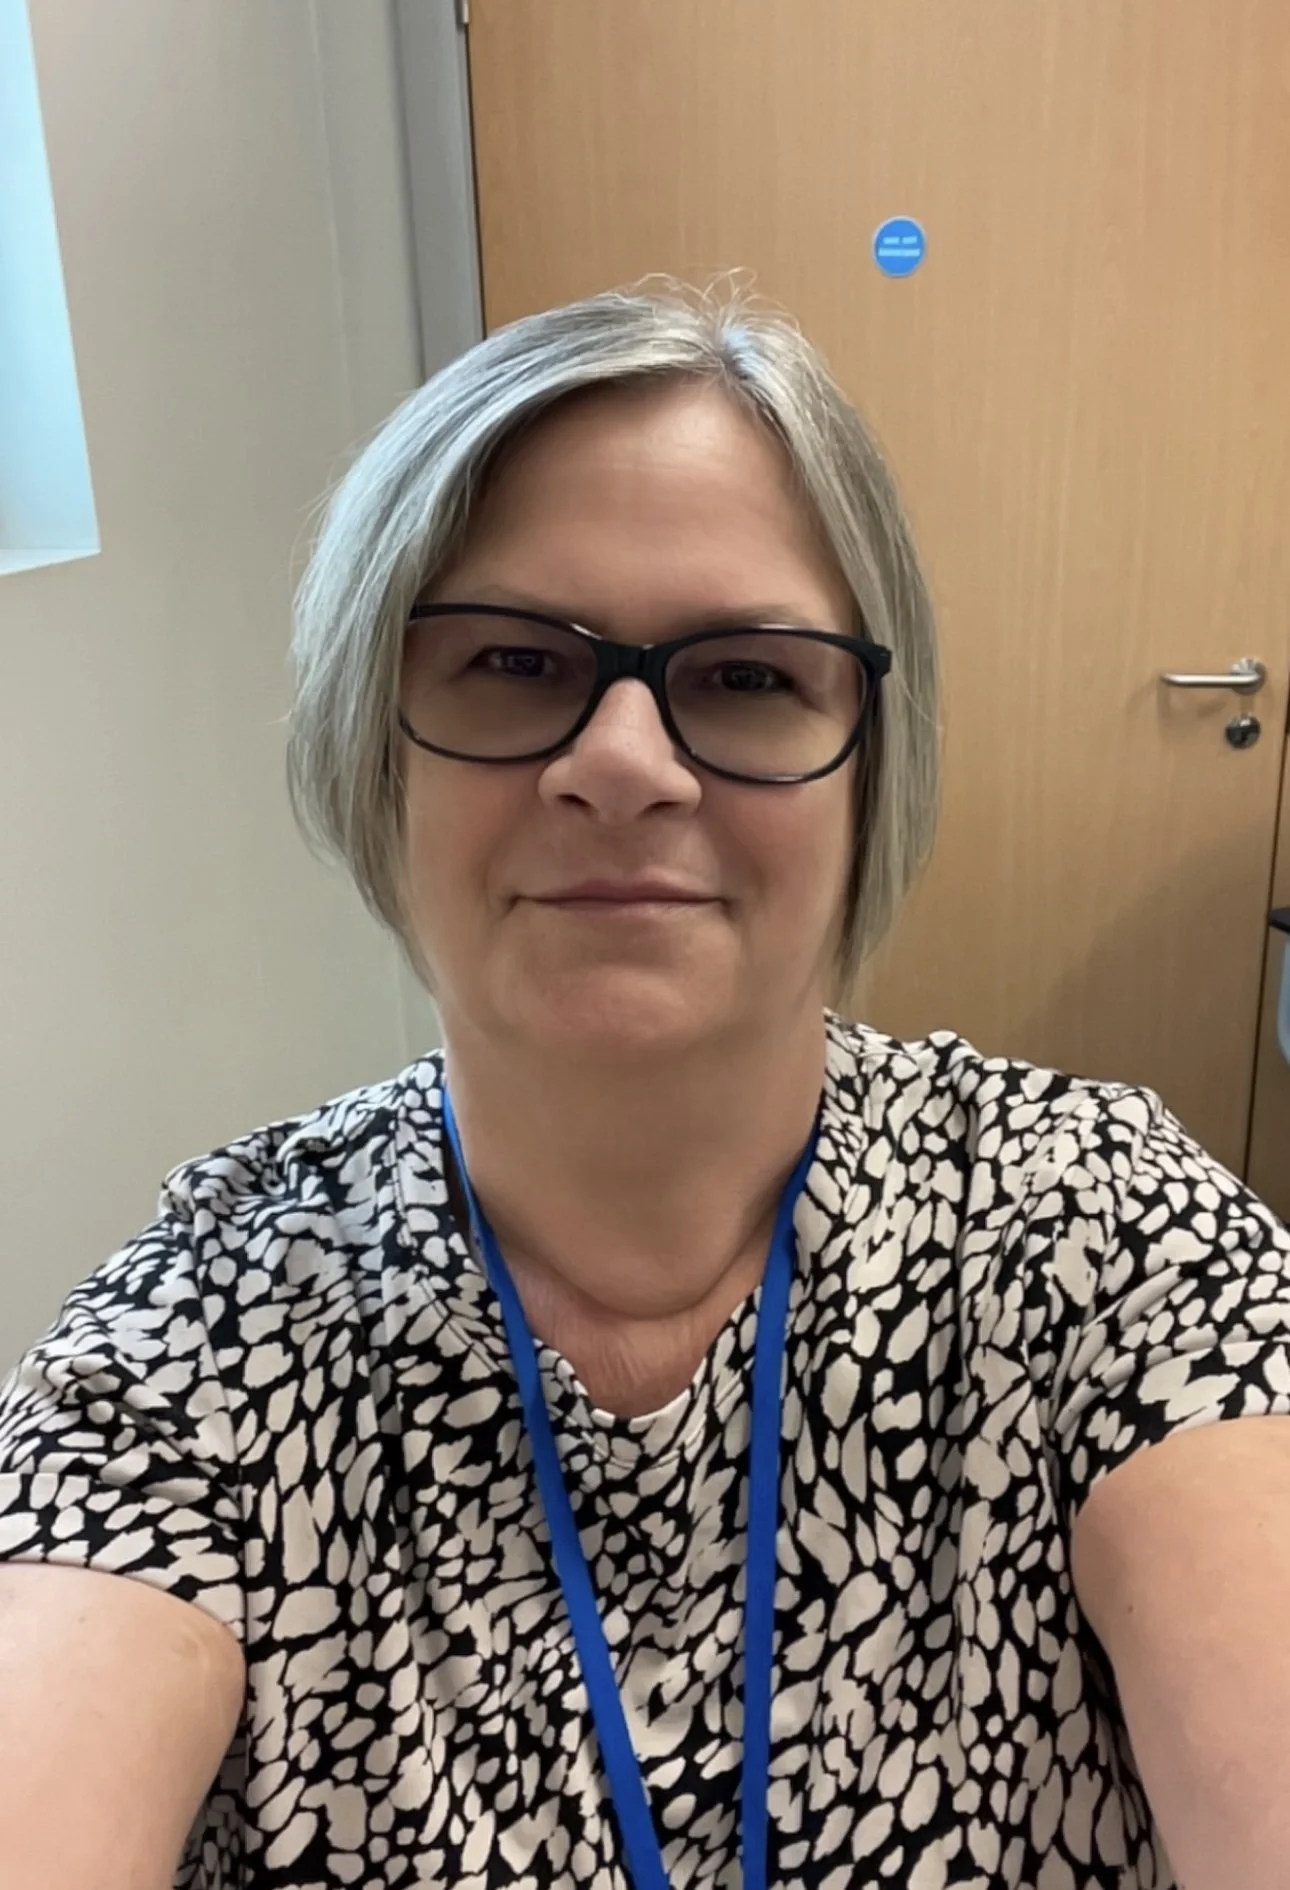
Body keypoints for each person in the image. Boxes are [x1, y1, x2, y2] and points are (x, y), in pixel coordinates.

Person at [1, 281, 1288, 1890]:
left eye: (748, 677)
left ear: (869, 765)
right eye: (512, 661)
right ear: (367, 742)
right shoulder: (201, 1339)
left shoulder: (1102, 1231)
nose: (620, 760)